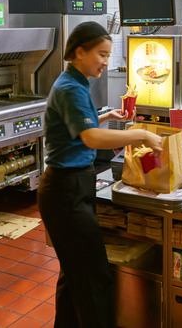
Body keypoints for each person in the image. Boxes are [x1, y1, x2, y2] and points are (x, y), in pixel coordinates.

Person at [39, 21, 163, 327]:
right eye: (101, 54)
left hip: (68, 188)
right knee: (94, 280)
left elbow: (80, 126)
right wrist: (140, 136)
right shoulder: (70, 87)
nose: (106, 62)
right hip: (66, 192)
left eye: (108, 55)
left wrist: (107, 115)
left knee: (74, 276)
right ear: (80, 51)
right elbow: (91, 138)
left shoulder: (75, 82)